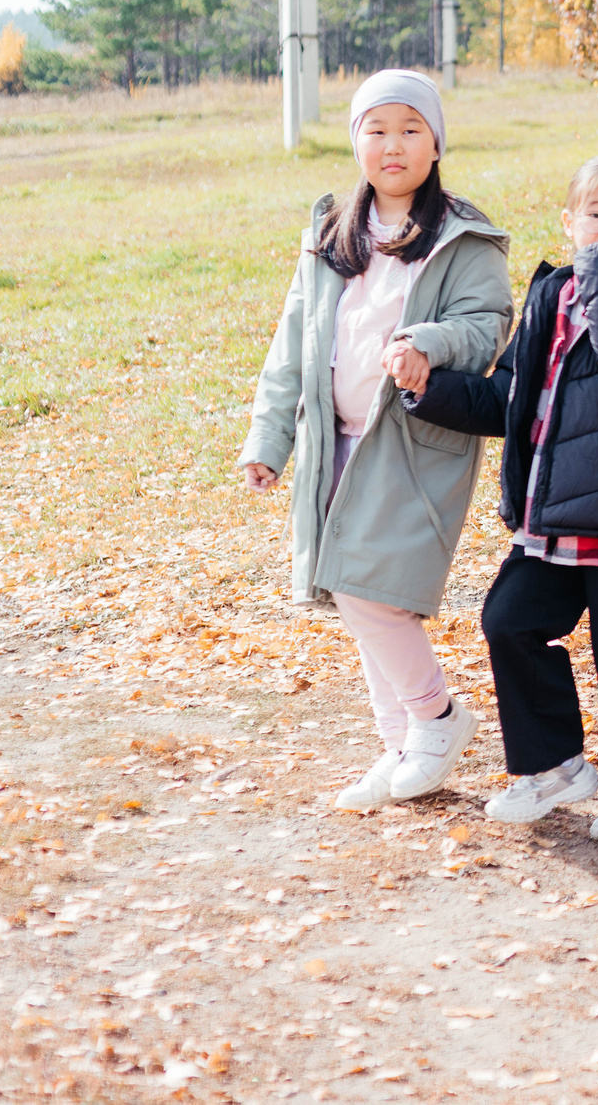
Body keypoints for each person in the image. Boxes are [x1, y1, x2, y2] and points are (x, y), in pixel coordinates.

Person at [405, 158, 598, 842]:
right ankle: (553, 764)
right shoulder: (552, 295)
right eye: (594, 214)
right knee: (509, 618)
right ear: (567, 223)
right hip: (552, 511)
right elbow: (507, 397)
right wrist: (429, 388)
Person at [239, 71, 511, 811]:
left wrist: (427, 340)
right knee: (355, 597)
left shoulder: (464, 238)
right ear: (356, 139)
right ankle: (398, 749)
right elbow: (292, 346)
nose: (393, 145)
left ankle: (437, 719)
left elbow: (488, 325)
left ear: (435, 142)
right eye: (377, 129)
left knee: (369, 591)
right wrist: (269, 439)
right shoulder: (333, 236)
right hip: (335, 443)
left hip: (412, 444)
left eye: (410, 129)